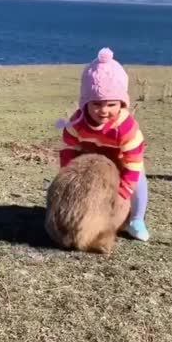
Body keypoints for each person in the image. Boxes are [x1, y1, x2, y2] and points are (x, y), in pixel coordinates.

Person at [55, 47, 149, 241]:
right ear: (86, 103)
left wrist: (124, 190)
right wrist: (68, 172)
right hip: (88, 159)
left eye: (111, 104)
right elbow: (68, 148)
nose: (103, 111)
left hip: (122, 160)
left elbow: (134, 161)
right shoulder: (77, 123)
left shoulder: (127, 128)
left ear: (121, 103)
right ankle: (71, 212)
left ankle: (136, 219)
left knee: (139, 180)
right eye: (96, 104)